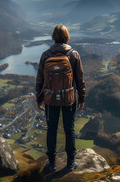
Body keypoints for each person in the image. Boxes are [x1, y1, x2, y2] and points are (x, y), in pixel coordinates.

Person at [35, 24, 85, 172]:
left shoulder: (46, 55)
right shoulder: (74, 54)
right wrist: (81, 98)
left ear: (53, 37)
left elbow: (40, 80)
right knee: (69, 129)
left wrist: (39, 99)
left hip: (50, 99)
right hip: (69, 98)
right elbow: (80, 80)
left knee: (51, 129)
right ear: (66, 36)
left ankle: (51, 164)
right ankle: (70, 164)